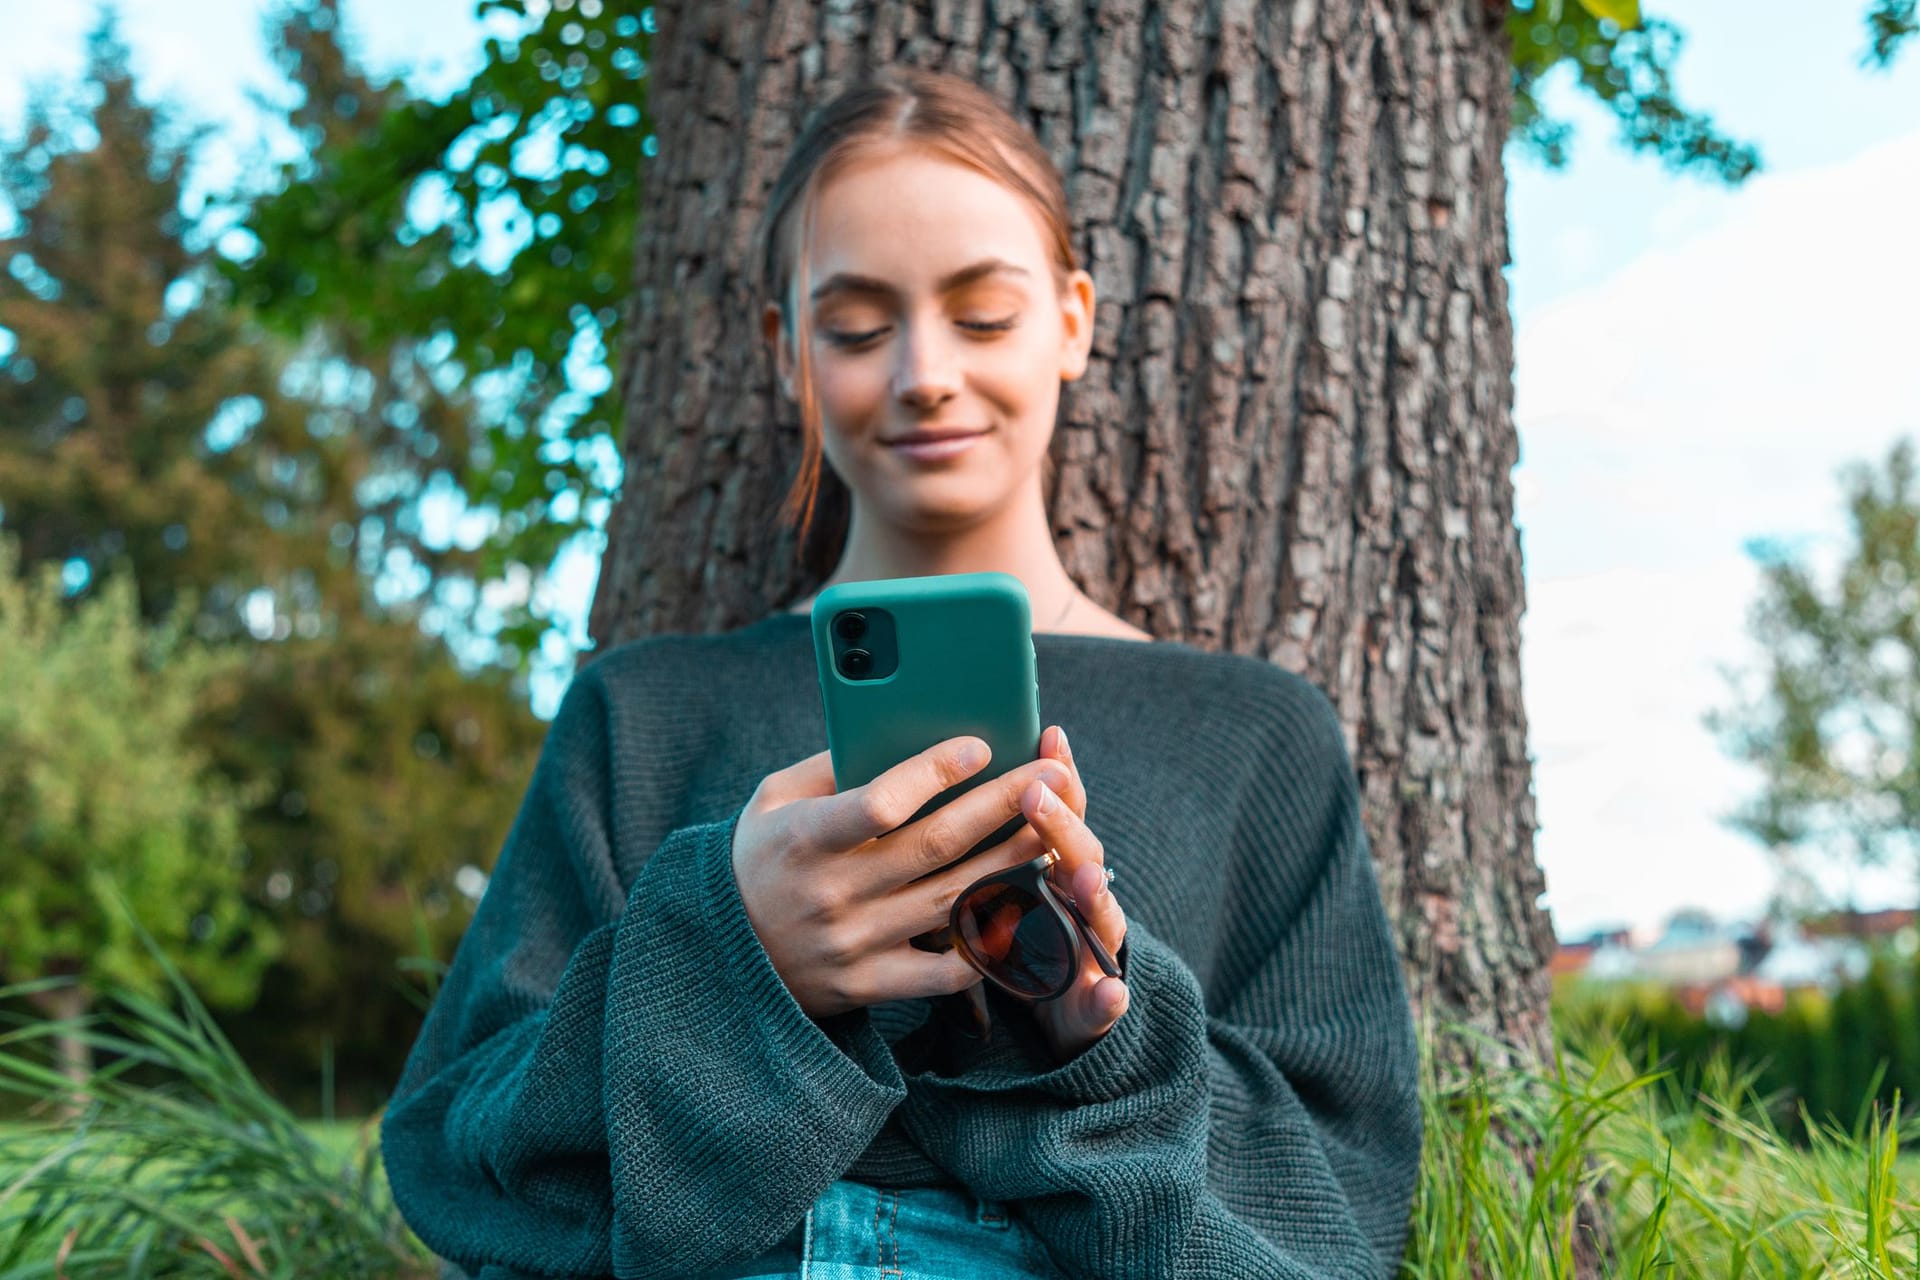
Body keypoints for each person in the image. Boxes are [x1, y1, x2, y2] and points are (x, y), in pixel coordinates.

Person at [381, 66, 1422, 1280]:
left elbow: (1342, 1204)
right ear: (787, 353)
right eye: (859, 326)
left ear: (1074, 321)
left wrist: (1099, 1039)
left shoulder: (1256, 735)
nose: (925, 371)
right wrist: (737, 952)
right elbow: (464, 1160)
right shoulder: (642, 708)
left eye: (984, 315)